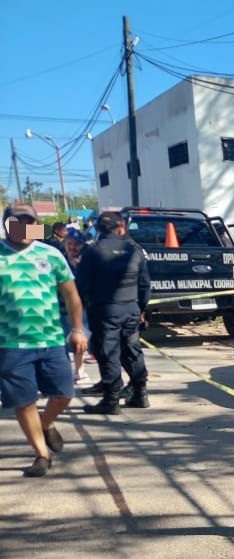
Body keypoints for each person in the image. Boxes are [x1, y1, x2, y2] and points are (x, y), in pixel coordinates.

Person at [0, 202, 88, 477]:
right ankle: (41, 454)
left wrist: (77, 329)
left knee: (64, 394)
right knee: (23, 401)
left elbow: (71, 295)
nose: (25, 228)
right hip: (11, 344)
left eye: (30, 222)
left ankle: (45, 423)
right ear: (7, 225)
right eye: (18, 222)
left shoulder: (51, 255)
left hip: (51, 340)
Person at [76, 211, 150, 414]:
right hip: (131, 309)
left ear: (98, 229)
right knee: (132, 350)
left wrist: (80, 311)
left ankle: (111, 400)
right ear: (121, 227)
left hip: (104, 310)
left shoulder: (92, 251)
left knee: (108, 352)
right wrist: (141, 309)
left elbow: (81, 286)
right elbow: (145, 285)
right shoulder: (135, 251)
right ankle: (140, 394)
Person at [61, 227, 91, 385]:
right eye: (69, 243)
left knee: (80, 340)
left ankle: (80, 371)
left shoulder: (87, 262)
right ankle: (63, 372)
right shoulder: (59, 261)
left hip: (81, 309)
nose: (73, 247)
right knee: (60, 342)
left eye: (77, 244)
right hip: (60, 309)